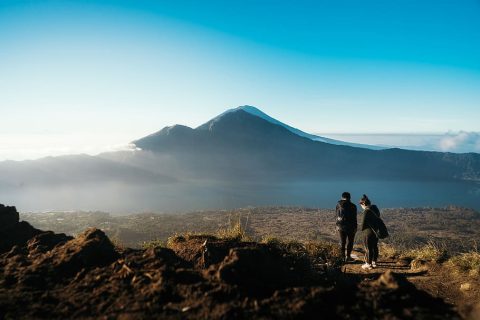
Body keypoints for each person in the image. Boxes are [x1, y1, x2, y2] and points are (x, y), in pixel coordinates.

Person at [359, 194, 380, 270]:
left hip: (368, 232)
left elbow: (363, 224)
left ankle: (368, 264)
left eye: (361, 204)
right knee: (375, 247)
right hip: (376, 231)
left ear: (363, 203)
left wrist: (361, 230)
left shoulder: (366, 211)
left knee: (368, 248)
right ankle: (374, 262)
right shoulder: (375, 208)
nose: (361, 207)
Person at [335, 192, 357, 263]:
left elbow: (337, 215)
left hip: (340, 226)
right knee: (350, 241)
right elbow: (354, 218)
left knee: (342, 242)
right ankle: (348, 256)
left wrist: (337, 225)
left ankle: (342, 257)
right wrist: (355, 227)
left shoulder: (338, 204)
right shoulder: (353, 206)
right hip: (350, 226)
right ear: (349, 197)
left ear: (342, 197)